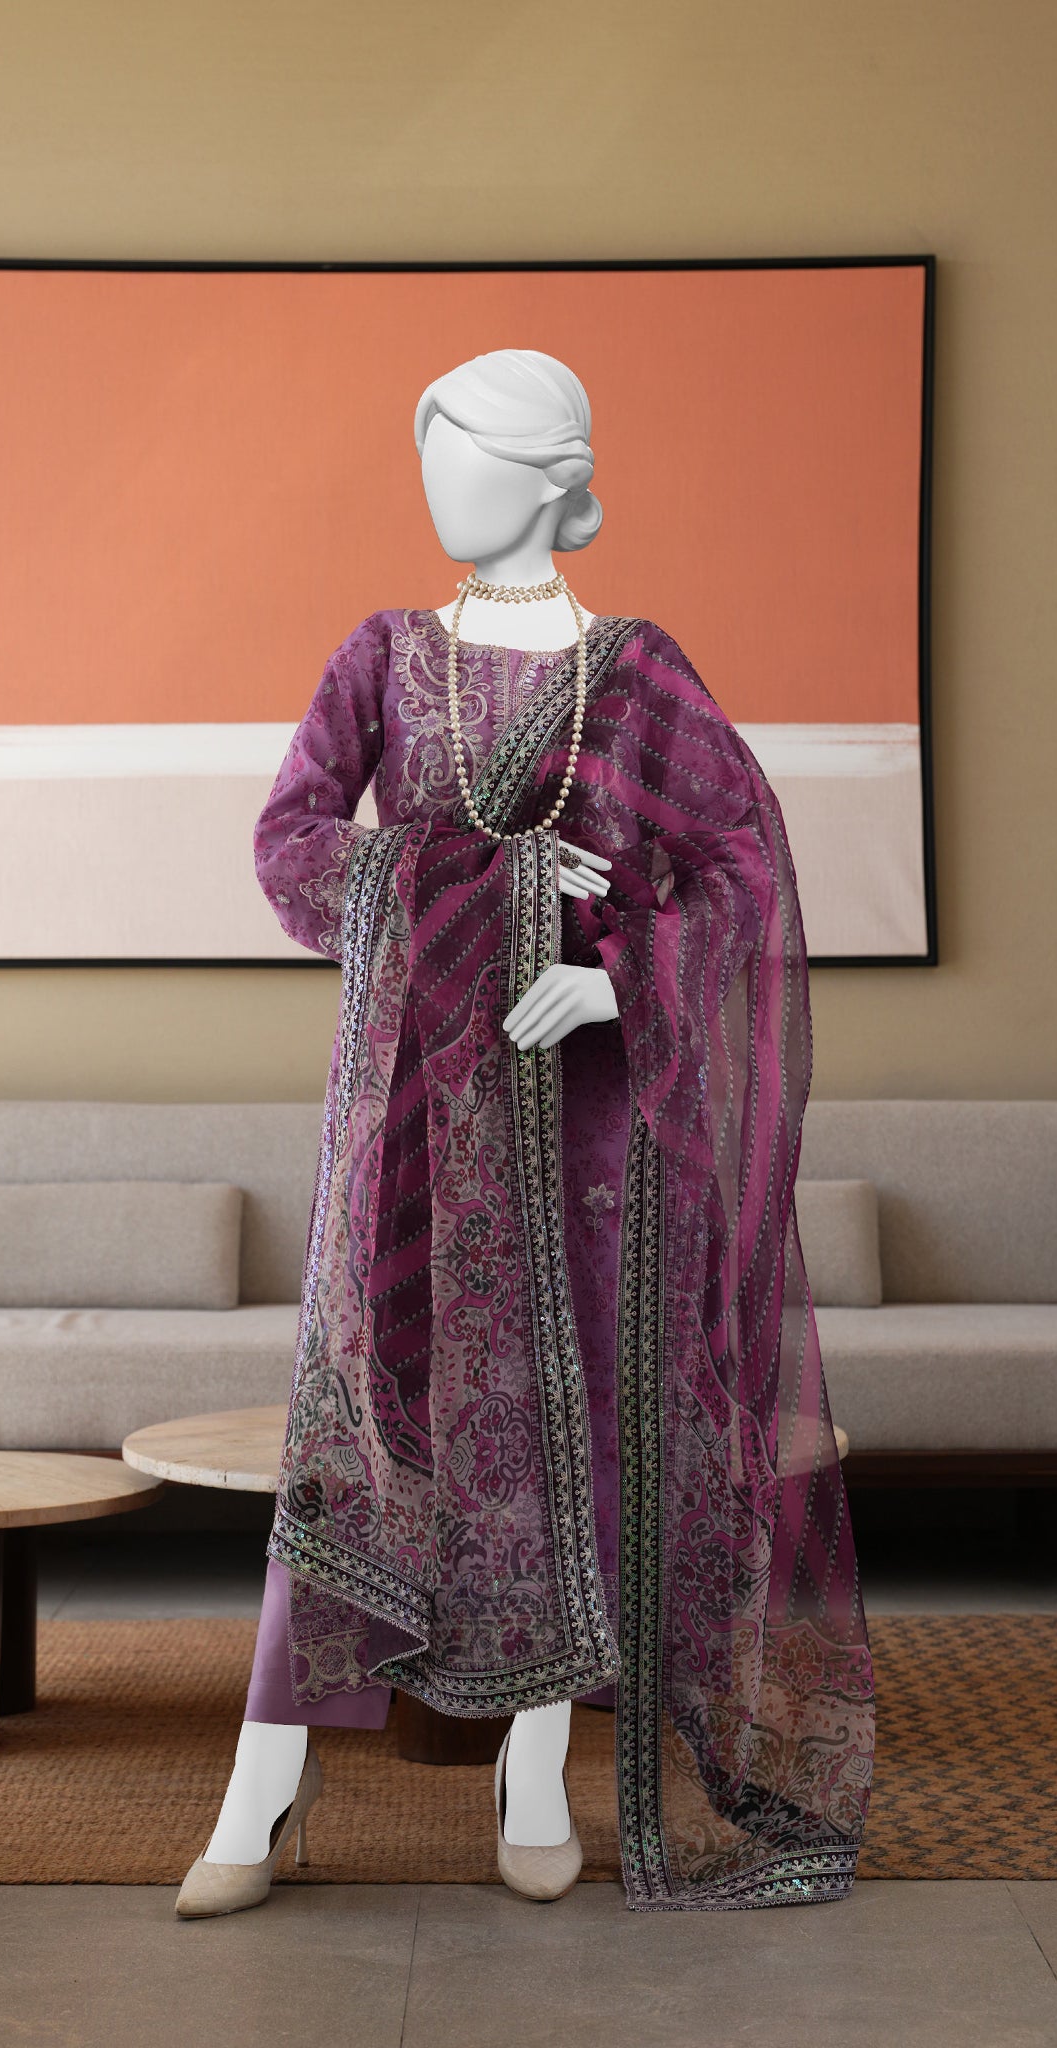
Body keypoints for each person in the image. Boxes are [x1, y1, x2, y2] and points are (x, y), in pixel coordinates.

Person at [175, 348, 875, 1918]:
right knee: (356, 1440)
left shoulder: (638, 673)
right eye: (427, 451)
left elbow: (742, 870)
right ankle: (263, 1786)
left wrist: (616, 973)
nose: (438, 483)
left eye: (468, 454)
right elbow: (292, 847)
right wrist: (484, 891)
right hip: (412, 1124)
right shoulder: (383, 653)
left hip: (600, 1140)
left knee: (573, 1442)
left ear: (553, 479)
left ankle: (536, 1765)